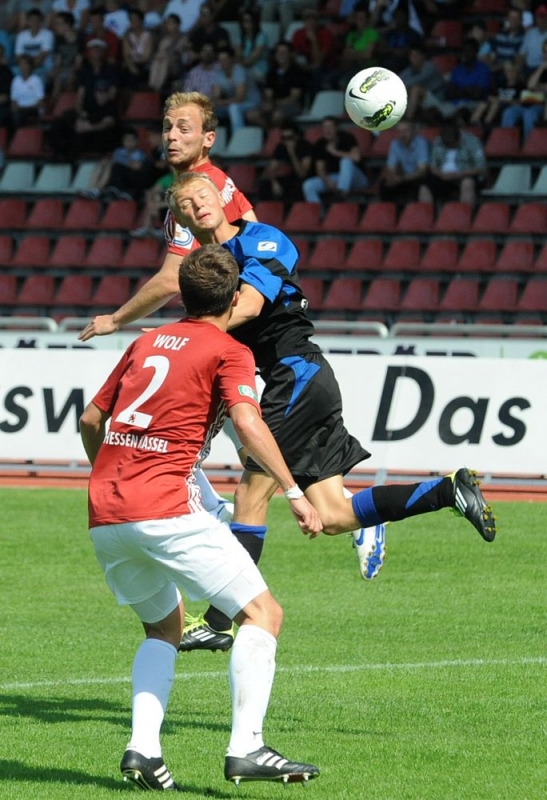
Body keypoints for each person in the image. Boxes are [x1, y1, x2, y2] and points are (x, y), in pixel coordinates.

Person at [77, 91, 388, 640]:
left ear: (208, 138)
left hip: (234, 335)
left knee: (235, 455)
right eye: (167, 127)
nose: (172, 136)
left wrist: (119, 320)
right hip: (238, 334)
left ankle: (227, 611)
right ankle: (328, 512)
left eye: (184, 127)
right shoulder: (210, 189)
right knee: (238, 452)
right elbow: (239, 246)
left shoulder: (198, 190)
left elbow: (176, 277)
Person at [167, 170, 497, 652]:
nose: (199, 205)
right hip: (301, 382)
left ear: (221, 197)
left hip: (296, 377)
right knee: (335, 515)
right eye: (187, 204)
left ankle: (219, 621)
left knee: (250, 497)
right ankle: (448, 490)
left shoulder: (262, 240)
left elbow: (251, 307)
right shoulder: (207, 265)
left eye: (203, 194)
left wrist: (184, 335)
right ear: (180, 221)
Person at [79, 245, 322, 790]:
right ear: (235, 299)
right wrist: (293, 491)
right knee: (262, 615)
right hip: (165, 506)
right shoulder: (229, 350)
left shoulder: (145, 341)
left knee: (164, 627)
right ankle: (247, 748)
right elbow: (249, 424)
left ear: (182, 296)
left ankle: (143, 751)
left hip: (106, 512)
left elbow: (92, 418)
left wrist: (108, 472)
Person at [301, 115, 369, 207]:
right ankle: (319, 213)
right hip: (335, 178)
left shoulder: (346, 137)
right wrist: (327, 181)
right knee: (308, 185)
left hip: (356, 177)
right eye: (324, 127)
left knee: (346, 161)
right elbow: (320, 169)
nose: (327, 130)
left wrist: (335, 152)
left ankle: (341, 194)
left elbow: (356, 157)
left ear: (336, 128)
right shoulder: (320, 143)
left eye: (330, 127)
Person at [418, 118, 487, 206]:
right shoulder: (438, 141)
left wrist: (457, 175)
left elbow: (480, 167)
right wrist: (441, 174)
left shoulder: (472, 141)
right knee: (425, 186)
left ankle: (465, 212)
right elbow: (433, 165)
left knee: (467, 183)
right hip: (443, 176)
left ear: (459, 139)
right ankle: (426, 213)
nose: (450, 147)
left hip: (464, 174)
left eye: (452, 145)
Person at [257, 121, 313, 205]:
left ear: (296, 136)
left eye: (290, 137)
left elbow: (302, 173)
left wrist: (292, 153)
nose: (286, 141)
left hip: (305, 177)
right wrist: (274, 182)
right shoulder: (281, 147)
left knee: (298, 186)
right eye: (284, 138)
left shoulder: (305, 146)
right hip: (289, 176)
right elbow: (272, 168)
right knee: (265, 184)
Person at [210, 45, 261, 133]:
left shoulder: (239, 71)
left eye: (225, 60)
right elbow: (216, 96)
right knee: (207, 110)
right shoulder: (218, 74)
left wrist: (220, 102)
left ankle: (238, 136)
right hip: (231, 103)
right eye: (220, 60)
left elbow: (240, 98)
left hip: (251, 102)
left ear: (231, 59)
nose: (222, 63)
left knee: (234, 108)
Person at [378, 117, 430, 202]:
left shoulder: (421, 142)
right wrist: (393, 178)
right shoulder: (395, 144)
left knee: (421, 183)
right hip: (404, 177)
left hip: (419, 177)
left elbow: (422, 171)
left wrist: (401, 179)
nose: (402, 134)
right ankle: (390, 210)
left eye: (406, 131)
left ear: (413, 131)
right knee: (385, 185)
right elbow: (390, 167)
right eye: (399, 131)